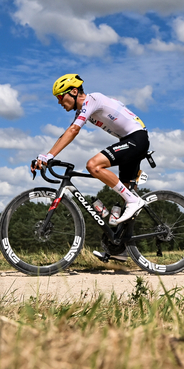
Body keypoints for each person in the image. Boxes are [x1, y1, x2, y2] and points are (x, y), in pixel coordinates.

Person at [32, 74, 149, 260]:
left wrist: (50, 156)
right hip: (130, 140)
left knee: (93, 165)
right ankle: (119, 250)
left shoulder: (91, 100)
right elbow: (66, 134)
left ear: (74, 91)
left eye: (61, 97)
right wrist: (46, 156)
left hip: (136, 138)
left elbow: (74, 131)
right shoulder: (83, 110)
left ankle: (134, 201)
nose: (59, 102)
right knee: (126, 192)